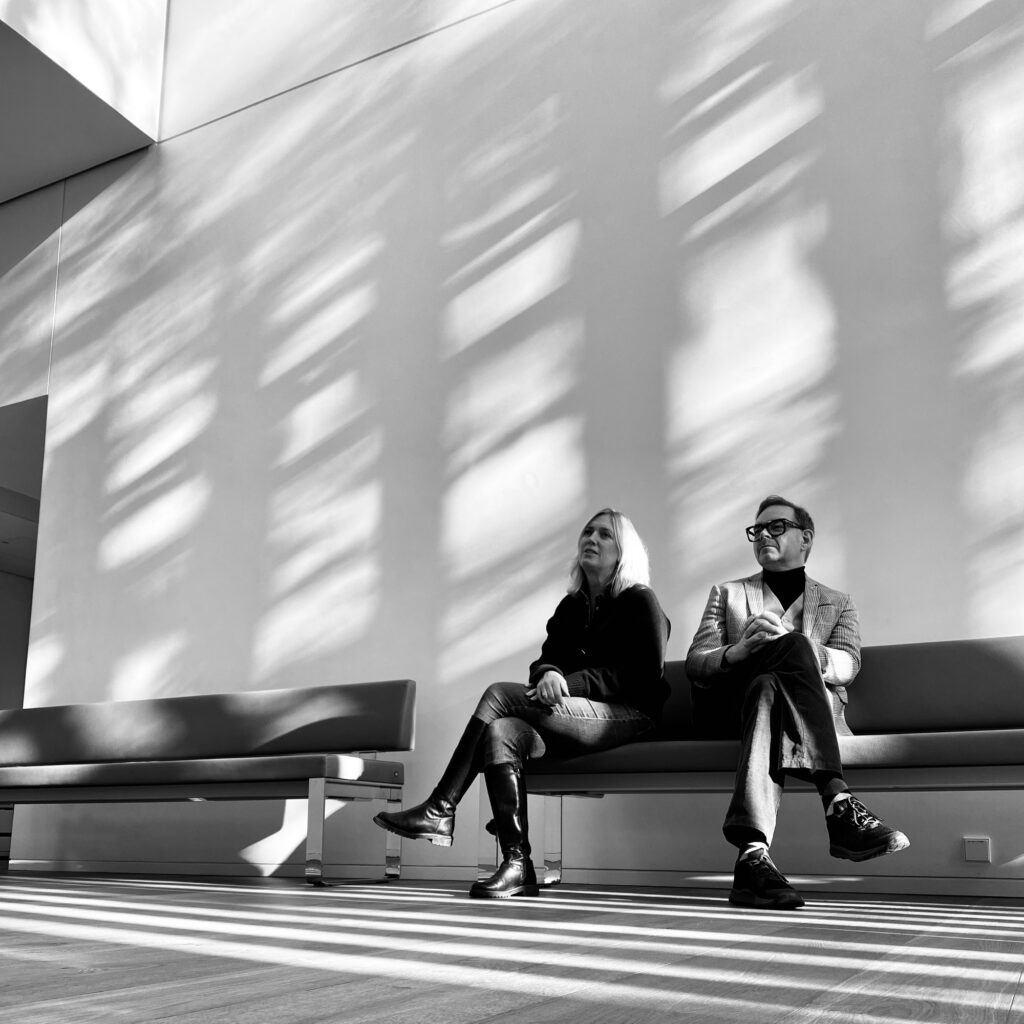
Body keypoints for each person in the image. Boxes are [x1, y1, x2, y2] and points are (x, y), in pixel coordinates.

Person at [374, 508, 670, 899]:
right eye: (587, 532)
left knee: (498, 694)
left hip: (632, 714)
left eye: (604, 535)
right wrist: (549, 672)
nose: (591, 539)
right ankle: (517, 864)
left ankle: (441, 807)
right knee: (502, 732)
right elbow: (546, 661)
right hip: (579, 717)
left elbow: (644, 674)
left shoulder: (640, 601)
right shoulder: (571, 607)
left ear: (624, 550)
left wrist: (569, 681)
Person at [686, 494, 909, 910]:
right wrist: (740, 650)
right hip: (731, 710)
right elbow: (697, 663)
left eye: (776, 527)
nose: (763, 536)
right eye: (757, 530)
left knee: (771, 685)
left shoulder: (838, 602)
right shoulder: (728, 594)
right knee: (764, 677)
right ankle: (838, 801)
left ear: (805, 538)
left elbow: (848, 665)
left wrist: (804, 651)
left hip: (776, 708)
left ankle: (752, 856)